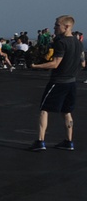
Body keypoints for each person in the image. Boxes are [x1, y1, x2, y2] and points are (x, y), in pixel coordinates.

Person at [29, 15, 84, 152]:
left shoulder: (61, 42)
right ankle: (69, 141)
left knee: (44, 110)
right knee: (67, 112)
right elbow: (83, 63)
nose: (54, 27)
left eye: (57, 25)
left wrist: (35, 66)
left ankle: (41, 141)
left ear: (66, 27)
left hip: (58, 82)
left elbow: (55, 64)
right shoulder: (79, 43)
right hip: (71, 83)